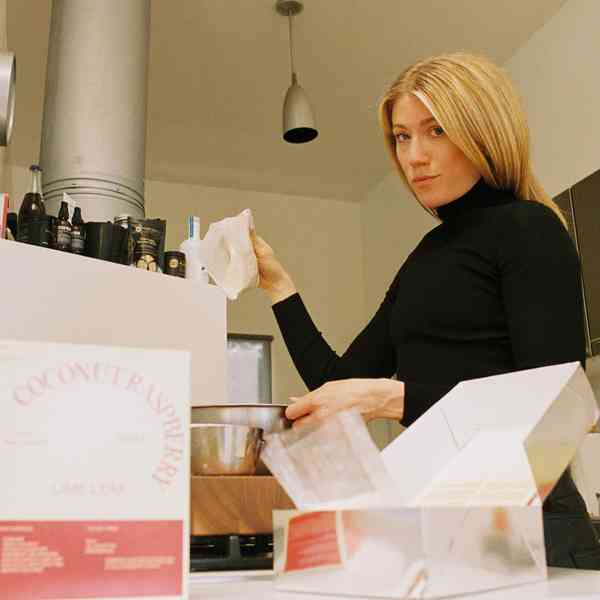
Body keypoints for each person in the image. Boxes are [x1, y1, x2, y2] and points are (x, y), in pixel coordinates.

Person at [250, 52, 600, 569]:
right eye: (402, 136)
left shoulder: (529, 229)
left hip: (534, 530)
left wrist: (392, 399)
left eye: (436, 131)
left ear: (484, 131)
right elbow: (339, 383)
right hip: (442, 520)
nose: (414, 155)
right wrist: (279, 286)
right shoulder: (425, 257)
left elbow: (556, 408)